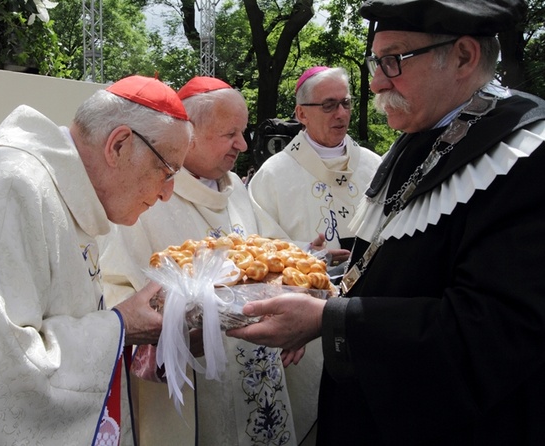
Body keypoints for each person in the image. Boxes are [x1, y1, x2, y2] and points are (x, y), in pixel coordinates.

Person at [228, 0, 545, 445]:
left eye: (393, 61)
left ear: (463, 56)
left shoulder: (527, 156)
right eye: (376, 63)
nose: (375, 83)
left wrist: (330, 318)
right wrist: (323, 286)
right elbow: (396, 271)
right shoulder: (424, 138)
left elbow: (495, 332)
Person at [0, 75, 193, 445]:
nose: (168, 193)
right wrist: (121, 325)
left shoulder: (45, 189)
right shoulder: (13, 188)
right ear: (119, 144)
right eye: (167, 171)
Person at [98, 76, 306, 445]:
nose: (242, 145)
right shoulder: (145, 198)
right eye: (230, 134)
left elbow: (271, 258)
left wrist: (294, 310)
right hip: (195, 387)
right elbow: (112, 298)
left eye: (243, 132)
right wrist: (168, 337)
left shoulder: (237, 189)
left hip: (259, 371)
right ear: (189, 134)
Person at [248, 66, 382, 267]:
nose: (341, 113)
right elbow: (257, 243)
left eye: (346, 103)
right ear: (302, 114)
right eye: (329, 105)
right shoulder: (273, 174)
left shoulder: (373, 165)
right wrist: (307, 252)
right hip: (303, 290)